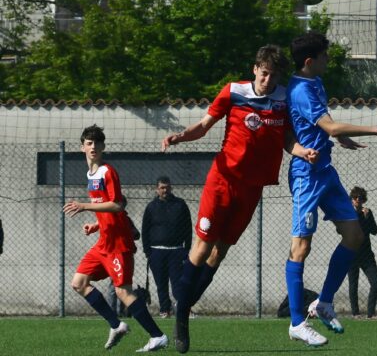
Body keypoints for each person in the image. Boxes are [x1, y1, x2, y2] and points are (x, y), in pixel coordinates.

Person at [161, 45, 319, 354]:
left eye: (273, 75)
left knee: (219, 253)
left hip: (252, 188)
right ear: (255, 69)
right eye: (264, 73)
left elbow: (288, 139)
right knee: (203, 246)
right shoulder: (233, 92)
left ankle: (186, 300)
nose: (268, 80)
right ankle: (182, 314)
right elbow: (205, 126)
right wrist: (179, 136)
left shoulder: (284, 98)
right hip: (222, 181)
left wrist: (303, 151)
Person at [285, 31, 377, 346]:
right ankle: (297, 323)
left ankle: (324, 302)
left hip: (325, 171)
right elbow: (328, 124)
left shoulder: (315, 82)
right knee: (301, 248)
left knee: (354, 236)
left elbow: (323, 125)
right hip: (306, 176)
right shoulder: (300, 90)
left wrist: (339, 138)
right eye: (325, 56)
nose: (329, 60)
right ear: (310, 61)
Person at [63, 124, 168, 352]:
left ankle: (157, 335)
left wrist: (83, 206)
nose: (93, 147)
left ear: (103, 147)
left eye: (97, 143)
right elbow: (104, 206)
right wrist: (96, 224)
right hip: (104, 241)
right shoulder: (90, 174)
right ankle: (116, 324)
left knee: (123, 292)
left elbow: (118, 204)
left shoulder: (107, 171)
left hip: (118, 243)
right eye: (89, 143)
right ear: (82, 147)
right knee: (78, 283)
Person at [142, 176, 192, 318]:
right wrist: (148, 252)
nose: (165, 190)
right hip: (156, 252)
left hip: (176, 251)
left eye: (168, 187)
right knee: (161, 283)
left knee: (178, 283)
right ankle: (165, 310)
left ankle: (182, 308)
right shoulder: (151, 207)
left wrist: (186, 249)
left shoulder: (180, 205)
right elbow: (145, 230)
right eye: (162, 188)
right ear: (157, 189)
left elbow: (188, 228)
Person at [347, 187, 377, 319]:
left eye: (360, 198)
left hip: (366, 254)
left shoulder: (367, 212)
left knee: (375, 282)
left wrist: (366, 217)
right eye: (355, 198)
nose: (358, 200)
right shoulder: (348, 212)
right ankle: (355, 313)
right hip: (351, 253)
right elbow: (343, 231)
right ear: (352, 199)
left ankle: (370, 313)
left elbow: (374, 230)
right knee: (353, 283)